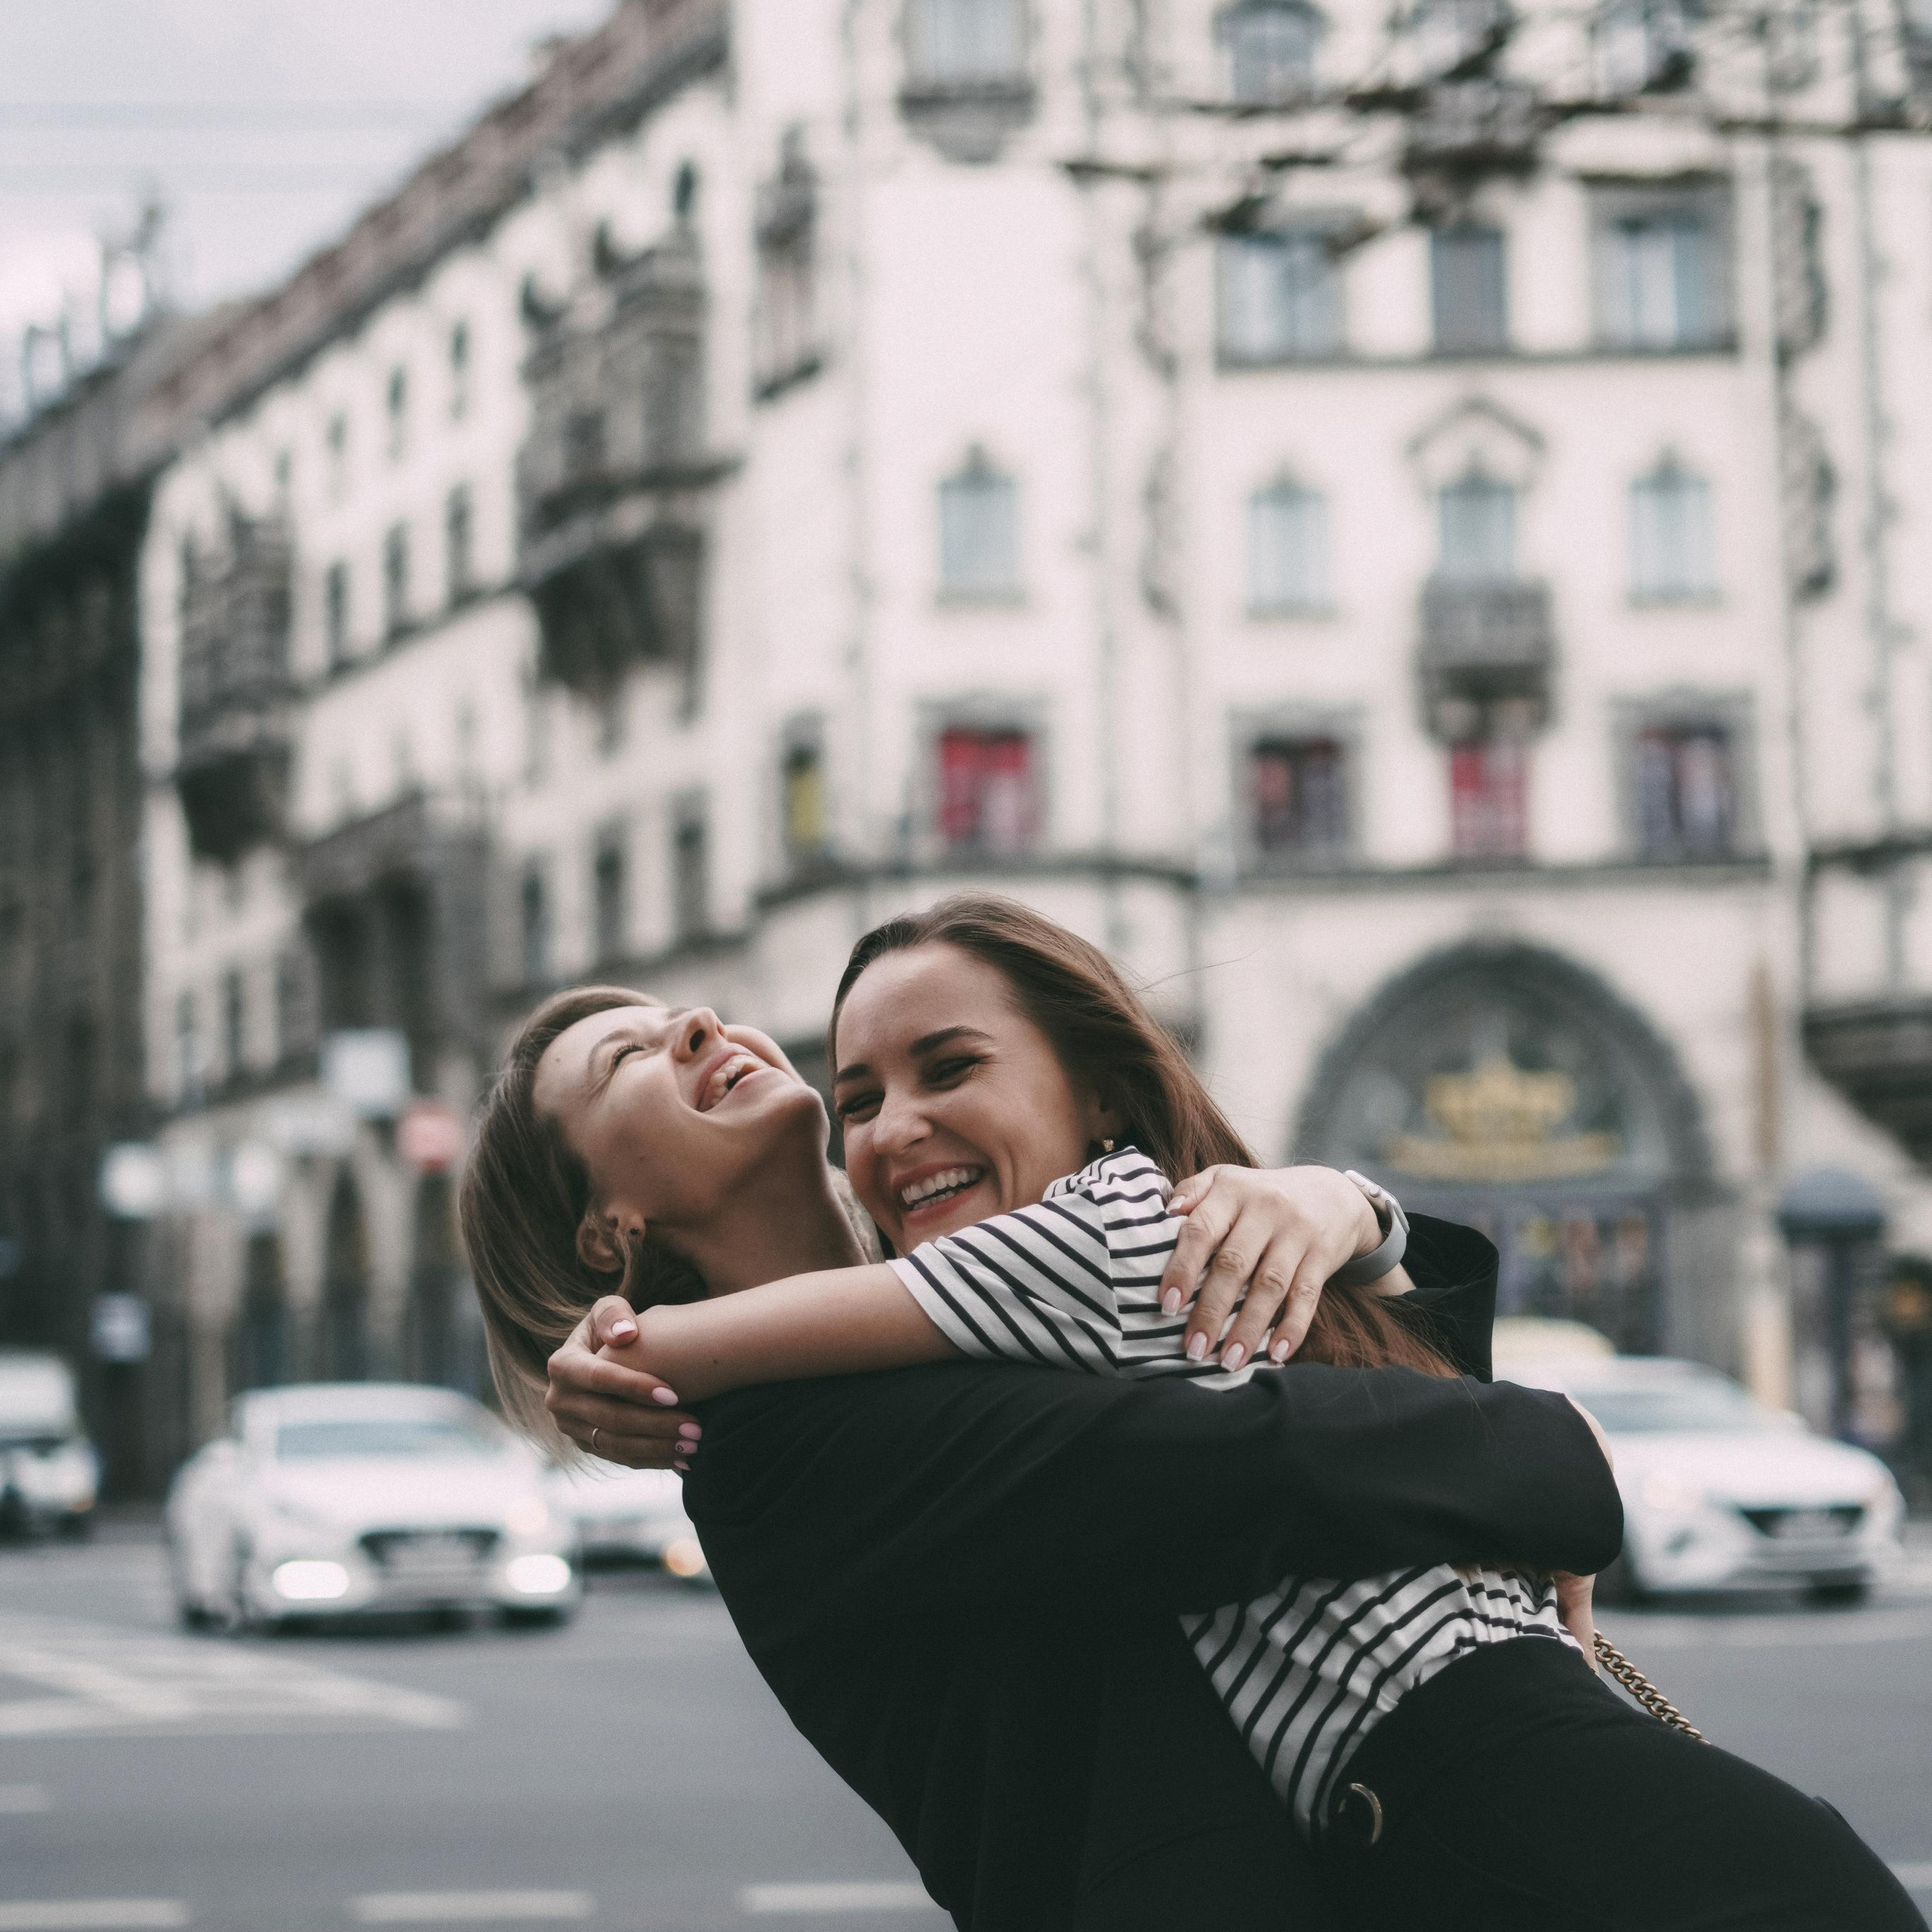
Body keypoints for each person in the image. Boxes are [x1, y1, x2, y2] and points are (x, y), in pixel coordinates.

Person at [537, 897, 1923, 1932]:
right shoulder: (785, 1427)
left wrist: (1355, 1213)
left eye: (947, 1069)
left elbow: (1387, 1387)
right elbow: (1270, 1469)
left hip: (1549, 1809)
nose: (704, 1026)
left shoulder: (1061, 1270)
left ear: (1096, 1098)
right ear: (610, 1227)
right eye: (627, 1061)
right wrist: (1560, 1449)